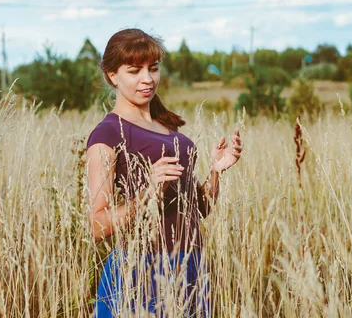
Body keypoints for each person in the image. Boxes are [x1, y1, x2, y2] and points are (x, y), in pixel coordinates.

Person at [86, 28, 243, 317]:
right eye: (134, 71)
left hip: (190, 264)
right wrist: (149, 194)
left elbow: (199, 208)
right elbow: (97, 225)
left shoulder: (168, 130)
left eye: (153, 68)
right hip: (143, 268)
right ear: (112, 75)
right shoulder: (107, 134)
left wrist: (216, 171)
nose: (147, 79)